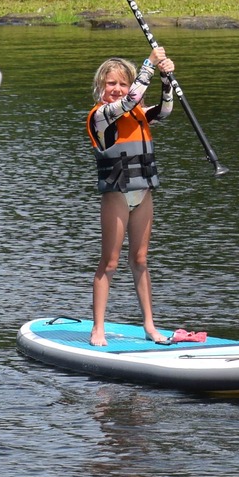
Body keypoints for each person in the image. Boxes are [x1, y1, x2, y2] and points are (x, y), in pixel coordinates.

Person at [87, 47, 178, 347]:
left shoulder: (137, 112)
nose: (117, 89)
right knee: (110, 263)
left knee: (140, 259)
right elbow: (130, 101)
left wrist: (166, 79)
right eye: (111, 84)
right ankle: (97, 328)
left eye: (122, 83)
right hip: (117, 194)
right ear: (101, 88)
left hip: (142, 192)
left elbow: (164, 111)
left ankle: (150, 326)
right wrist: (149, 65)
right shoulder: (101, 116)